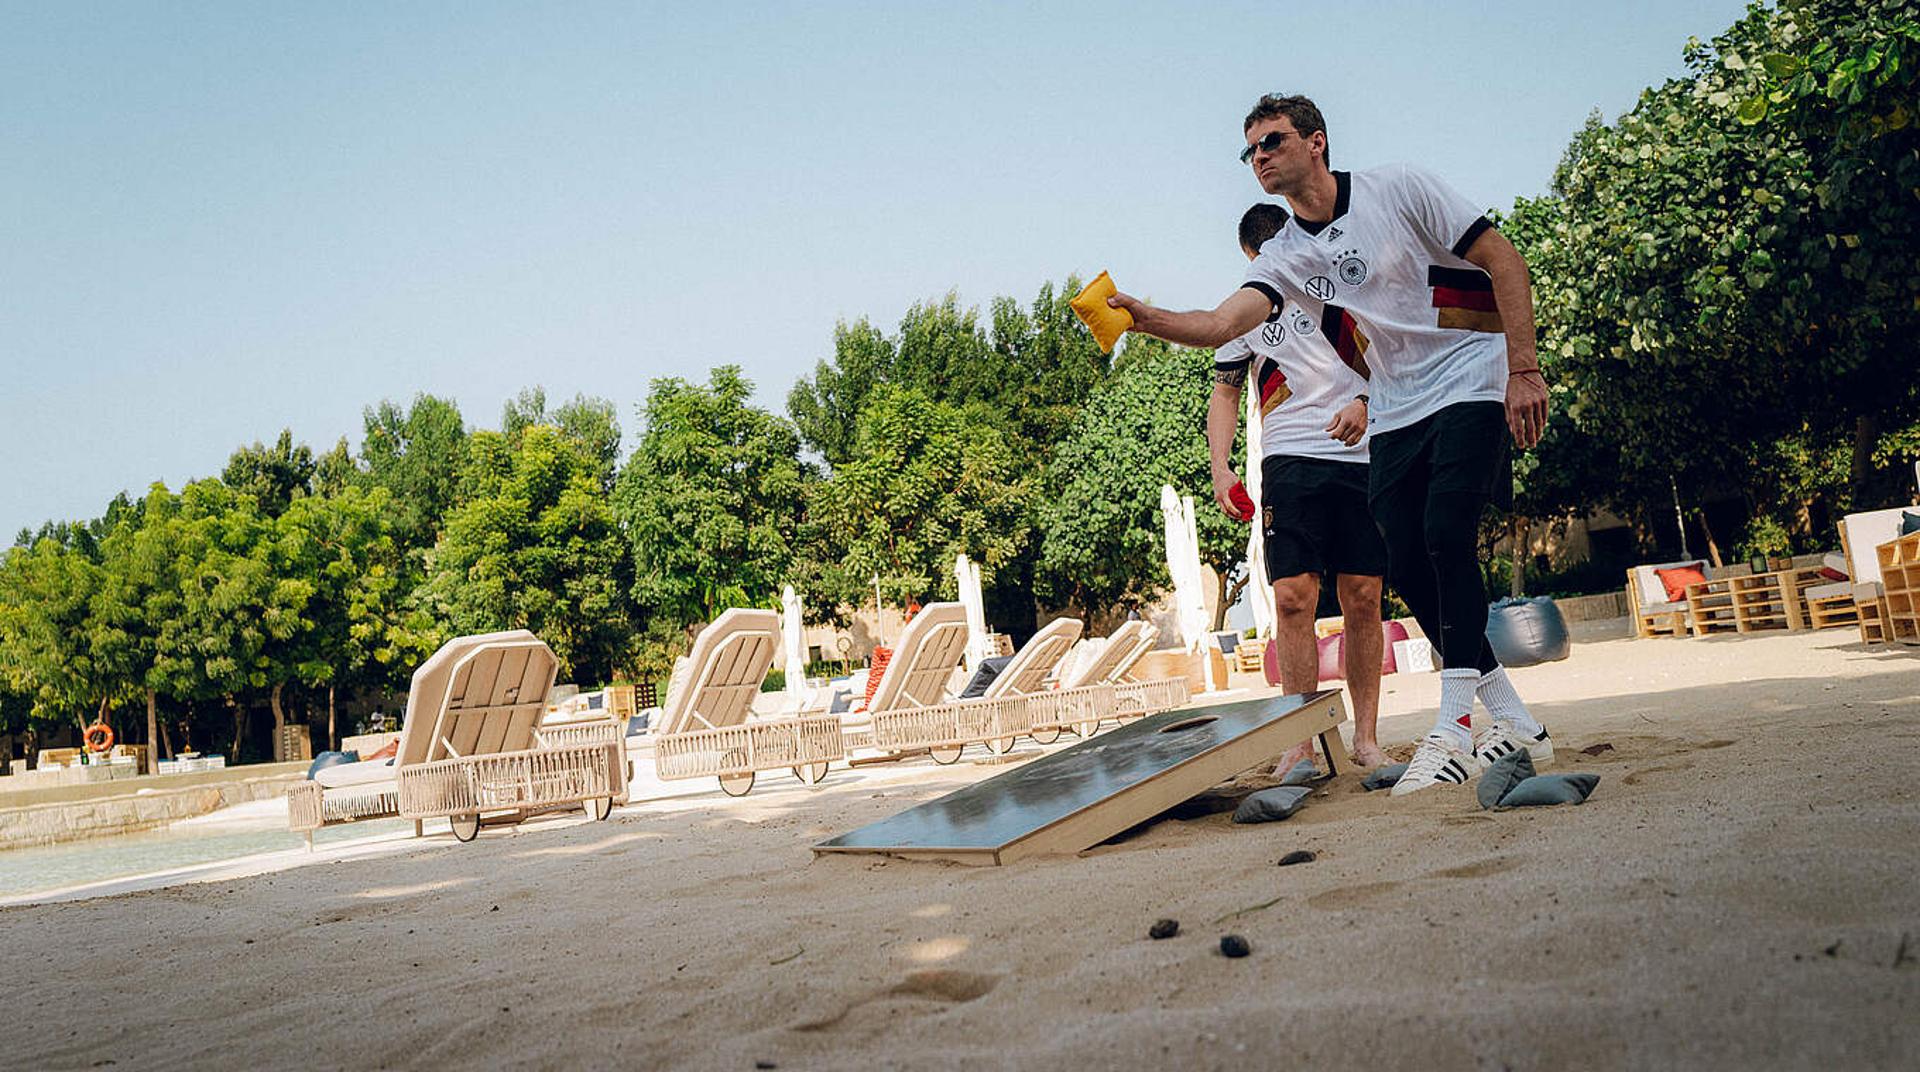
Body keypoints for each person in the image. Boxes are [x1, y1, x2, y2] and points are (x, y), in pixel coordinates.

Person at [1108, 94, 1553, 796]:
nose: (1259, 156)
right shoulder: (1285, 258)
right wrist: (1144, 318)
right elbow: (1221, 323)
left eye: (1272, 141)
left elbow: (1503, 260)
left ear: (1317, 142)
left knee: (1443, 535)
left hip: (1471, 369)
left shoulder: (1399, 187)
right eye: (1249, 149)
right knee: (1406, 562)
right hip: (1399, 400)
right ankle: (1511, 716)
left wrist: (1524, 369)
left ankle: (1454, 728)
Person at [1210, 202, 1390, 769]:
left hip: (1362, 456)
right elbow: (1225, 392)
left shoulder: (1347, 286)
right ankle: (1299, 743)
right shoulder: (1245, 306)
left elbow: (1394, 359)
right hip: (1288, 460)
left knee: (1364, 596)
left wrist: (1365, 403)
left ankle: (1365, 738)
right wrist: (1221, 466)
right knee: (1292, 598)